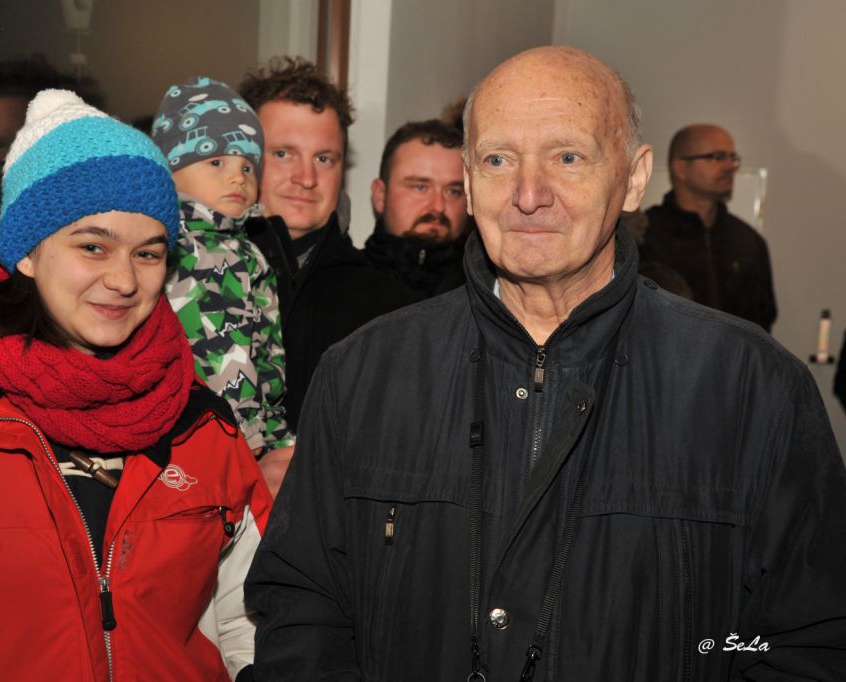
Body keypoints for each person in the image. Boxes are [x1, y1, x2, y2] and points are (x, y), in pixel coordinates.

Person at [245, 46, 846, 680]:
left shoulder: (752, 388)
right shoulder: (363, 374)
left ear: (634, 178)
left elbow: (810, 642)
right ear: (470, 181)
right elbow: (302, 612)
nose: (529, 195)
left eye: (568, 157)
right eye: (498, 160)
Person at [0, 90, 269, 681]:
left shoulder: (201, 424)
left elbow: (253, 622)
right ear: (27, 253)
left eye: (148, 253)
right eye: (93, 246)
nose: (123, 279)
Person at [237, 57, 417, 434]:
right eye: (283, 153)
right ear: (244, 160)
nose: (306, 178)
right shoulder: (194, 278)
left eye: (324, 158)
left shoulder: (388, 307)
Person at [151, 76, 294, 470]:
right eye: (216, 162)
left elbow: (266, 351)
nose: (237, 177)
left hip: (249, 436)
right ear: (171, 171)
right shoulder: (175, 247)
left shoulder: (248, 251)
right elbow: (208, 354)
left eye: (248, 166)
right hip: (193, 438)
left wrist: (274, 432)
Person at [640, 124, 777, 331]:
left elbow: (763, 321)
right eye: (717, 157)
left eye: (732, 158)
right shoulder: (644, 235)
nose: (729, 166)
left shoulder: (749, 241)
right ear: (680, 167)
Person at [365, 119, 470, 298]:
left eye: (453, 191)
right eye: (420, 187)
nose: (438, 206)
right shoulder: (339, 284)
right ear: (380, 195)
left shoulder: (492, 291)